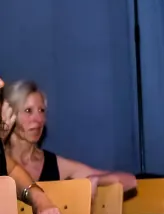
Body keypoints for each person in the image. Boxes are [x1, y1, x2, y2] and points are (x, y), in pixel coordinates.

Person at [2, 83, 138, 194]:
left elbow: (130, 181)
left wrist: (96, 180)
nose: (39, 119)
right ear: (8, 114)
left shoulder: (54, 164)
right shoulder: (4, 161)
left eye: (41, 111)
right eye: (28, 111)